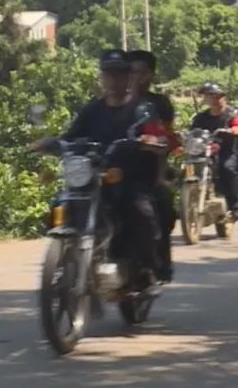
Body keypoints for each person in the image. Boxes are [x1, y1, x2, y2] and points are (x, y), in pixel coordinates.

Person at [57, 49, 164, 284]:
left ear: (129, 77)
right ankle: (65, 253)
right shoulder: (93, 109)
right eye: (109, 74)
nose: (113, 80)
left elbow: (159, 137)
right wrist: (52, 143)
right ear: (101, 77)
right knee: (63, 200)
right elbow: (71, 136)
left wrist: (151, 141)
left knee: (141, 211)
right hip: (94, 176)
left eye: (120, 74)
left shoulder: (142, 110)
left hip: (129, 177)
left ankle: (148, 267)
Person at [128, 50, 178, 283]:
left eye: (141, 72)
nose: (135, 77)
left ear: (150, 75)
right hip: (111, 171)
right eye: (131, 72)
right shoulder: (107, 103)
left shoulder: (157, 104)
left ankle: (159, 263)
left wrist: (159, 175)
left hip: (148, 169)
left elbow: (166, 137)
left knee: (162, 206)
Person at [190, 82, 238, 221]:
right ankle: (187, 202)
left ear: (222, 96)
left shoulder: (232, 113)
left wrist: (235, 130)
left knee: (227, 168)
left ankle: (236, 207)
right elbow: (192, 133)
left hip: (229, 149)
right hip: (207, 150)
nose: (211, 99)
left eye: (214, 95)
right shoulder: (200, 117)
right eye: (208, 96)